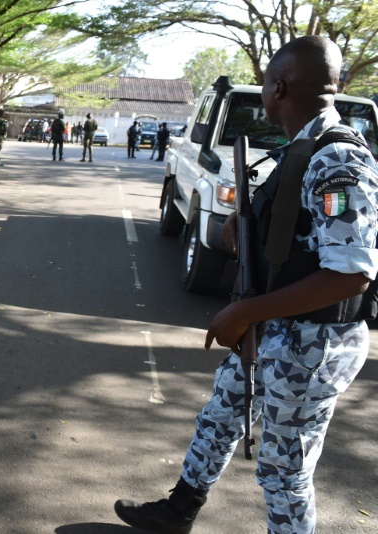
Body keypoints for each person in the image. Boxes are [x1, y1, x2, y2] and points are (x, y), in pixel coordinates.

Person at [114, 35, 378, 534]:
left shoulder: (336, 159)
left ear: (279, 87)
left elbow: (351, 273)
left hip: (314, 342)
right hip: (279, 331)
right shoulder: (301, 147)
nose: (263, 91)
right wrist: (248, 228)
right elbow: (298, 237)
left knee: (283, 471)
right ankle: (178, 511)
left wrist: (245, 313)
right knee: (220, 417)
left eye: (264, 83)